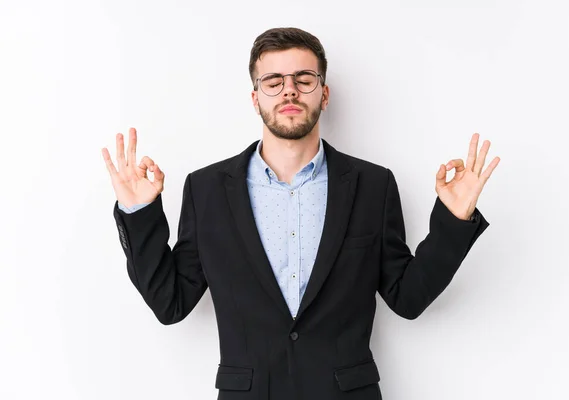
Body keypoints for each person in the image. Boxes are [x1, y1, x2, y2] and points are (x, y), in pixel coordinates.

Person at [101, 27, 500, 400]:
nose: (289, 91)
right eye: (273, 82)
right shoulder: (206, 190)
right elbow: (171, 303)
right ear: (256, 98)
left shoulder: (373, 185)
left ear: (323, 94)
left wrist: (453, 218)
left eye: (303, 79)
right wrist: (138, 211)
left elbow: (407, 298)